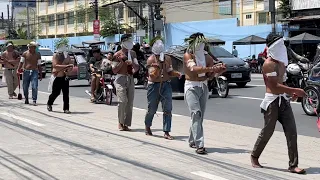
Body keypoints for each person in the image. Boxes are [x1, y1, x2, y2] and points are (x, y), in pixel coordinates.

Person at [251, 33, 306, 174]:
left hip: (283, 101)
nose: (282, 48)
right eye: (279, 45)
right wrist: (294, 90)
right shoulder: (268, 64)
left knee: (292, 132)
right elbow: (274, 86)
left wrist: (291, 93)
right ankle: (254, 156)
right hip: (272, 102)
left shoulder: (281, 64)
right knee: (268, 131)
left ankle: (293, 165)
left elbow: (283, 83)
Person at [183, 32, 226, 154]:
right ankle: (199, 144)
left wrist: (219, 71)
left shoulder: (208, 58)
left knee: (199, 116)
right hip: (191, 87)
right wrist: (212, 68)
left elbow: (211, 76)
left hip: (203, 87)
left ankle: (192, 139)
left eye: (202, 43)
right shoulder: (188, 55)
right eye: (198, 42)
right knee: (196, 113)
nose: (200, 45)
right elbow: (194, 69)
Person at [144, 37, 181, 140]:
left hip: (166, 84)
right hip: (154, 86)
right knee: (152, 109)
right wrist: (157, 67)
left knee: (167, 109)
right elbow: (152, 76)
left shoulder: (167, 58)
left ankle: (166, 131)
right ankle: (147, 126)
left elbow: (169, 71)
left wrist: (176, 74)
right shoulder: (151, 59)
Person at [112, 34, 139, 131]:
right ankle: (120, 122)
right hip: (120, 79)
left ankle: (126, 124)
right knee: (122, 101)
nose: (130, 43)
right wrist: (122, 62)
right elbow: (114, 70)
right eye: (128, 41)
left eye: (131, 41)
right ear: (123, 42)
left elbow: (137, 67)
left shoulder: (133, 53)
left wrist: (133, 66)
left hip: (130, 78)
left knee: (130, 102)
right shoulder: (117, 55)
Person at [47, 49, 73, 113]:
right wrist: (66, 66)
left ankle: (66, 108)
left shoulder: (68, 57)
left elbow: (71, 65)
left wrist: (68, 70)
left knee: (66, 93)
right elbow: (55, 66)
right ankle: (49, 103)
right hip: (57, 77)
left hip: (65, 77)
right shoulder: (55, 56)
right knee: (55, 93)